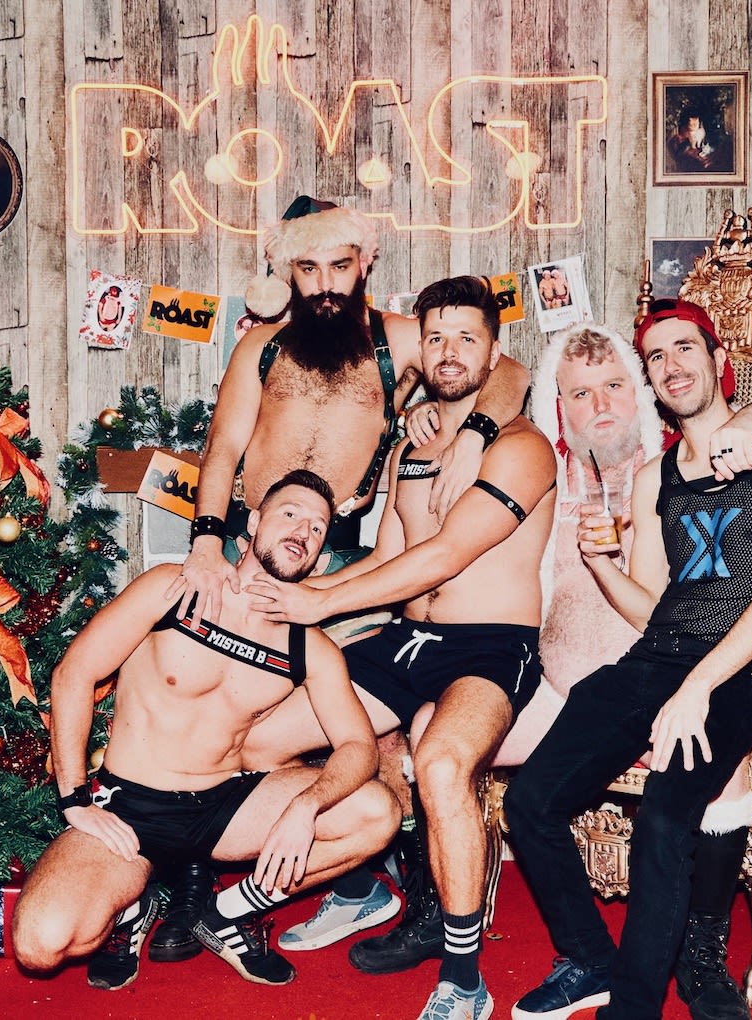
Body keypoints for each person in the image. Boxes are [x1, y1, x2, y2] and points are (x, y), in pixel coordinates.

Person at [152, 197, 527, 964]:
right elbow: (221, 451)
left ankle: (403, 889)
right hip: (251, 555)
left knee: (363, 723)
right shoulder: (260, 347)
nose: (324, 282)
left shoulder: (398, 342)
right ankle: (194, 881)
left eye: (339, 264)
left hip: (350, 565)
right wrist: (204, 545)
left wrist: (474, 435)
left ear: (366, 265)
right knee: (227, 715)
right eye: (307, 266)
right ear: (286, 270)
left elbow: (509, 369)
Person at [241, 276, 558, 1020]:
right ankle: (356, 882)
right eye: (437, 337)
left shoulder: (522, 447)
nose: (449, 353)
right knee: (264, 740)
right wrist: (321, 620)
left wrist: (317, 600)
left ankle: (462, 979)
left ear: (493, 350)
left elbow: (447, 554)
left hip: (489, 648)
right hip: (408, 638)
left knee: (443, 763)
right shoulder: (412, 446)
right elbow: (390, 560)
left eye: (467, 338)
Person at [504, 299, 752, 1020]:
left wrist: (698, 688)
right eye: (656, 357)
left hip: (734, 668)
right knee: (531, 802)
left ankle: (634, 1007)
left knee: (668, 816)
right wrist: (603, 562)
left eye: (684, 349)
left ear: (717, 361)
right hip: (656, 657)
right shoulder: (655, 480)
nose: (672, 366)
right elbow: (650, 606)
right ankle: (595, 959)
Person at [12, 471, 399, 991]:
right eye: (290, 514)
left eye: (317, 526)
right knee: (42, 944)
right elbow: (73, 675)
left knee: (377, 812)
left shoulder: (310, 647)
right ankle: (133, 911)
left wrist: (306, 806)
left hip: (223, 807)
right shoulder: (173, 588)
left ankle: (225, 911)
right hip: (131, 806)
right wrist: (75, 799)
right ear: (255, 523)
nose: (303, 531)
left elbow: (357, 746)